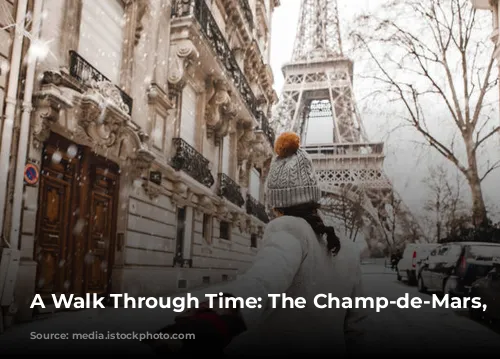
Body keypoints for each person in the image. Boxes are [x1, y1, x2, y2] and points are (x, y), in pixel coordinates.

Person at [146, 132, 367, 356]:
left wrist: (216, 317)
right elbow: (357, 328)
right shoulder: (346, 249)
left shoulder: (289, 229)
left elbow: (264, 282)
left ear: (276, 203)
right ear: (314, 197)